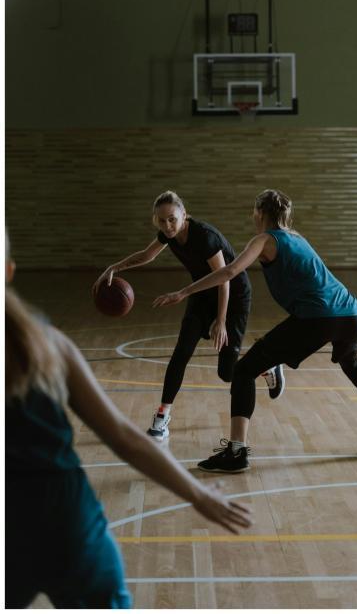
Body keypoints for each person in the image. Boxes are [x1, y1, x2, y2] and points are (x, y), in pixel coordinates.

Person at [5, 232, 252, 609]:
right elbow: (123, 436)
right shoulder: (45, 342)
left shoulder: (41, 341)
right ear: (9, 270)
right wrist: (196, 493)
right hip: (69, 519)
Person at [153, 189, 357, 473]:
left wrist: (183, 292)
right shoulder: (297, 237)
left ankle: (237, 452)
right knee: (352, 365)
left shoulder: (264, 239)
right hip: (351, 313)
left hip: (317, 318)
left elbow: (229, 272)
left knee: (244, 370)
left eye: (254, 212)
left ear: (260, 214)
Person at [93, 190, 284, 442]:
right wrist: (114, 267)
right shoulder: (167, 235)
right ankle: (162, 415)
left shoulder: (205, 237)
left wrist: (221, 320)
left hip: (233, 297)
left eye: (172, 218)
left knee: (227, 372)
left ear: (184, 214)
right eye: (161, 220)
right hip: (201, 293)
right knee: (181, 352)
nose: (168, 225)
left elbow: (224, 279)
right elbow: (147, 255)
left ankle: (267, 367)